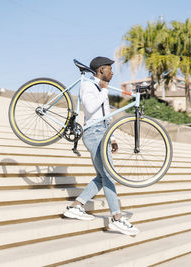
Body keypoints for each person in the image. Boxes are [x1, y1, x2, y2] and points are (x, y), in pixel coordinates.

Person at [63, 56, 139, 236]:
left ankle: (76, 206)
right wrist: (104, 91)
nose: (112, 73)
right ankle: (117, 218)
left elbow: (105, 117)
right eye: (109, 69)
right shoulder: (88, 85)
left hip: (102, 133)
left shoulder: (101, 89)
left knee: (102, 177)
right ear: (100, 70)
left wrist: (111, 138)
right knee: (109, 176)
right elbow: (90, 108)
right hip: (94, 133)